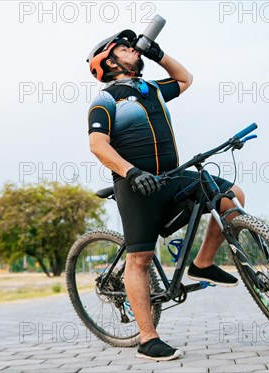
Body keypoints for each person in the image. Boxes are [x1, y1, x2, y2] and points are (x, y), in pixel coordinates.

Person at [86, 30, 246, 361]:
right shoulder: (105, 100)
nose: (133, 49)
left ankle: (202, 263)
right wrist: (131, 172)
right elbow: (97, 144)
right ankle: (148, 338)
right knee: (140, 259)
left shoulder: (154, 89)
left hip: (171, 178)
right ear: (109, 61)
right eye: (125, 47)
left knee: (232, 196)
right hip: (136, 187)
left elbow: (185, 79)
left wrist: (159, 54)